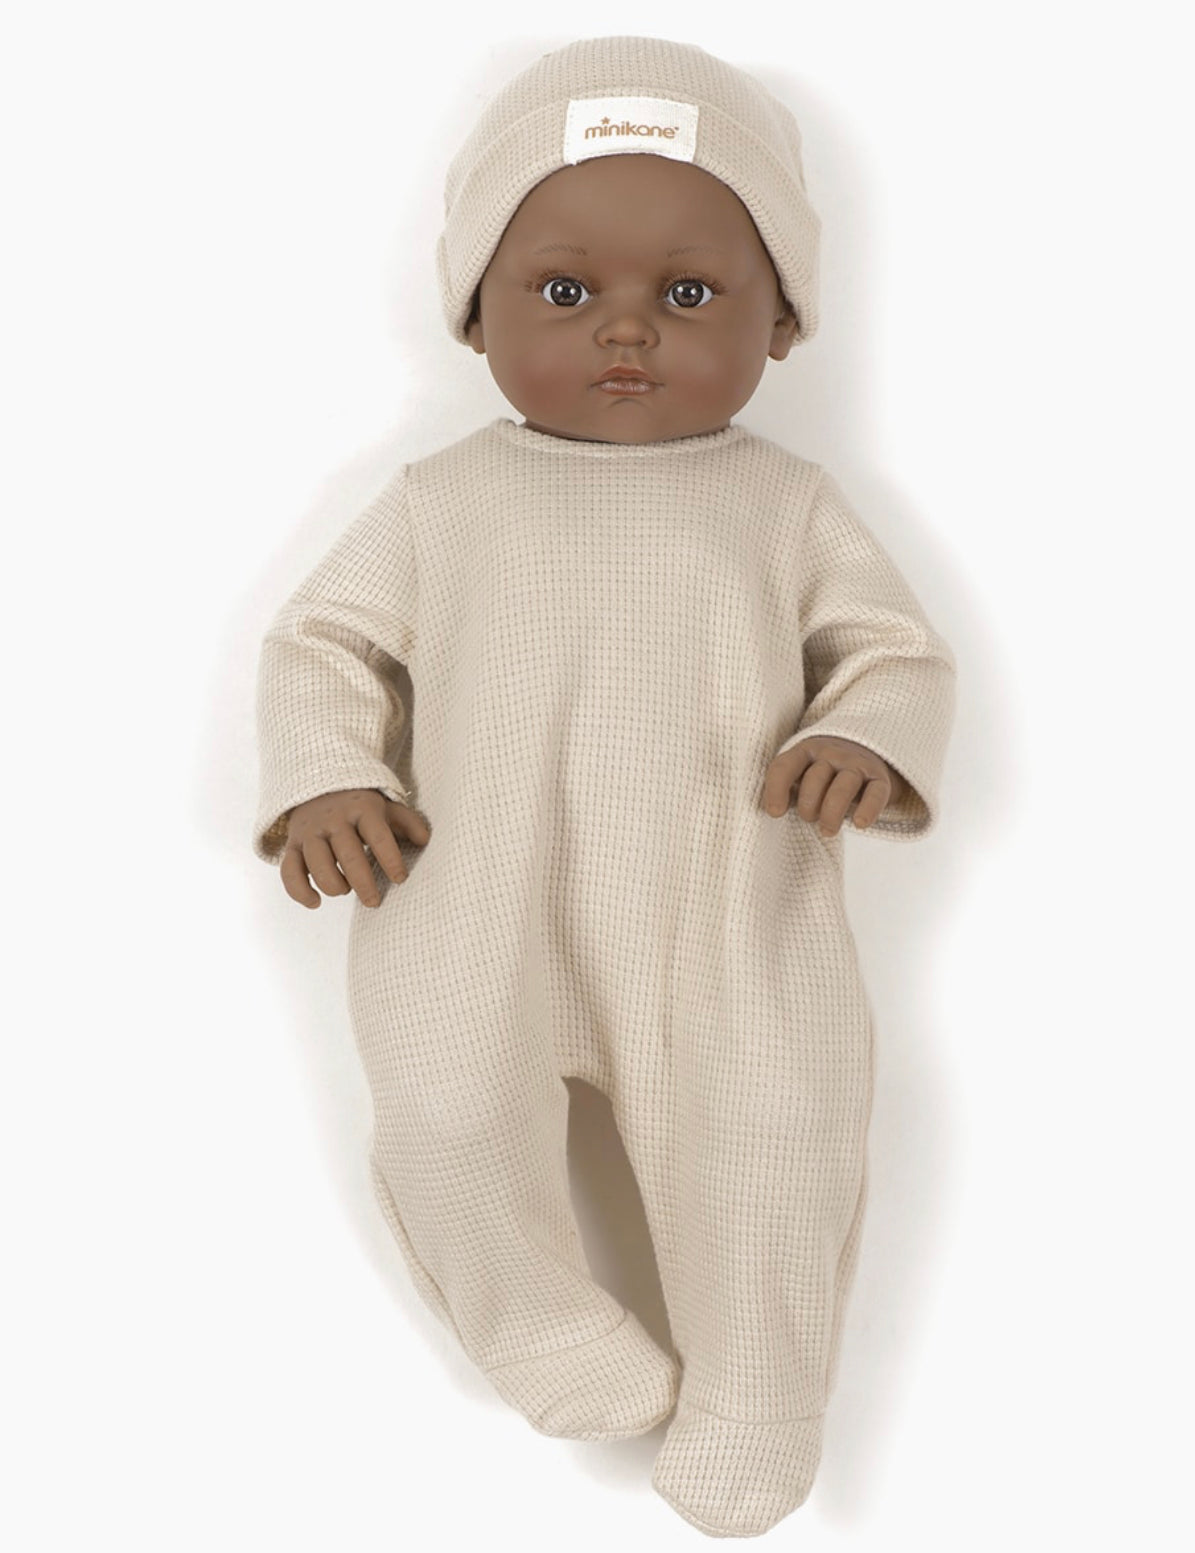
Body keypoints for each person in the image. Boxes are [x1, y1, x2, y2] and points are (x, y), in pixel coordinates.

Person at [253, 36, 955, 1538]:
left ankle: (759, 1398)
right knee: (443, 1117)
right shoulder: (443, 502)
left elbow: (891, 648)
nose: (625, 330)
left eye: (688, 295)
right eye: (563, 292)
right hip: (469, 896)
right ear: (474, 310)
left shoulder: (782, 504)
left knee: (775, 1144)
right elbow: (323, 643)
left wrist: (868, 734)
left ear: (782, 320)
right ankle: (544, 1334)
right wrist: (326, 775)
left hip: (731, 910)